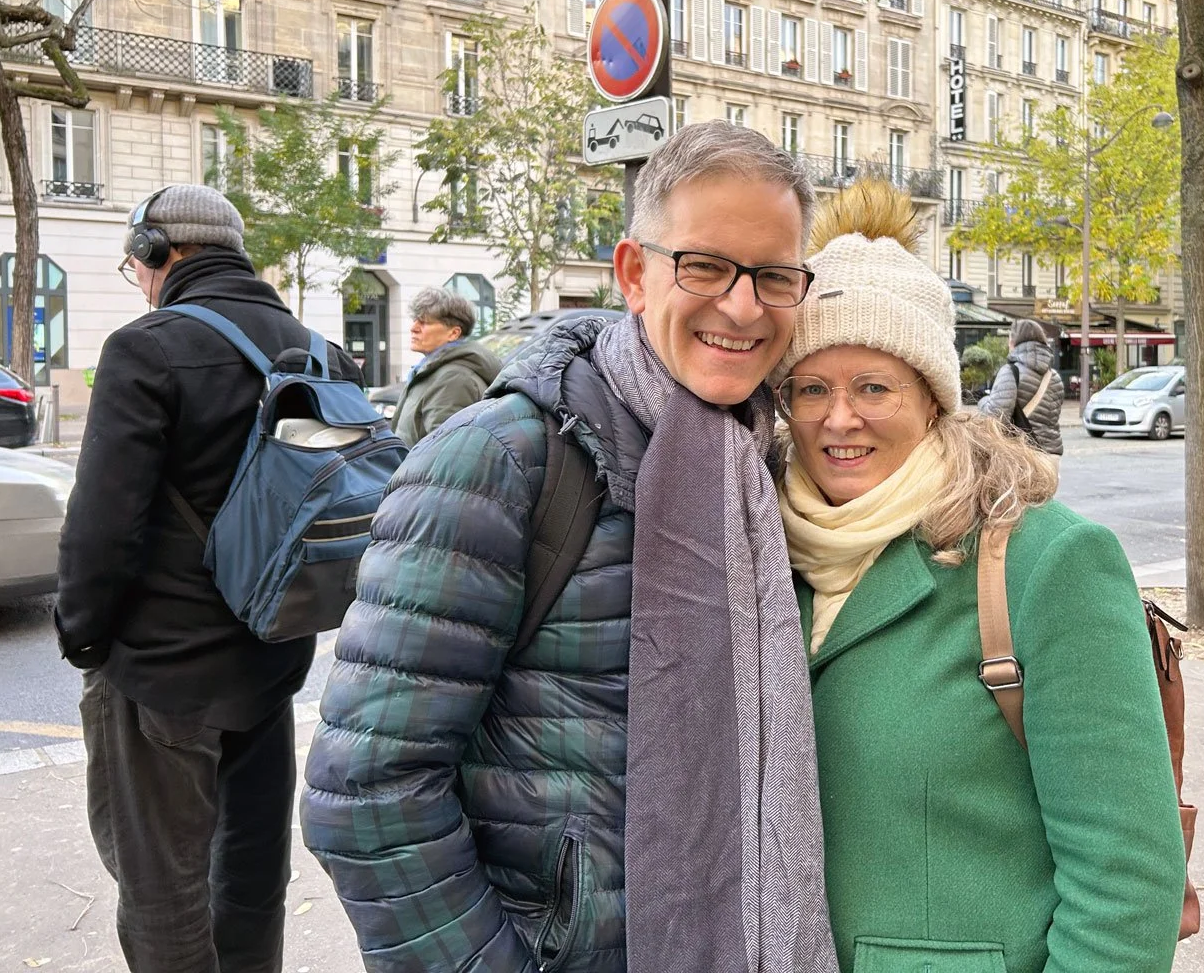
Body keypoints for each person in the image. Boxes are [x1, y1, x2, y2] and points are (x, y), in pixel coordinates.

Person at [301, 122, 839, 973]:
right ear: (632, 273)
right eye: (704, 266)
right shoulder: (502, 457)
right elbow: (366, 792)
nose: (742, 306)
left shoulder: (763, 460)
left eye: (774, 277)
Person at [770, 181, 1186, 972]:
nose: (839, 417)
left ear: (933, 398)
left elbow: (1127, 878)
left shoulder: (1042, 561)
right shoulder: (764, 552)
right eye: (813, 388)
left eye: (874, 387)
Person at [55, 185, 363, 972]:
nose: (142, 280)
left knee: (164, 890)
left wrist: (86, 641)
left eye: (139, 264)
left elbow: (101, 527)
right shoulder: (321, 351)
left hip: (164, 674)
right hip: (273, 660)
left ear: (161, 254)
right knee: (252, 877)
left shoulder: (145, 348)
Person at [391, 286, 503, 446]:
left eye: (424, 322)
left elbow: (443, 452)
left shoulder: (454, 379)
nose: (413, 328)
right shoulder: (431, 371)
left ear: (453, 333)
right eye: (415, 320)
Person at [978, 318, 1065, 466]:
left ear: (1013, 342)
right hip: (1050, 459)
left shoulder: (1011, 371)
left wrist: (983, 400)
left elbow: (996, 418)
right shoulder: (1055, 378)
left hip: (1021, 457)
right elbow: (1050, 419)